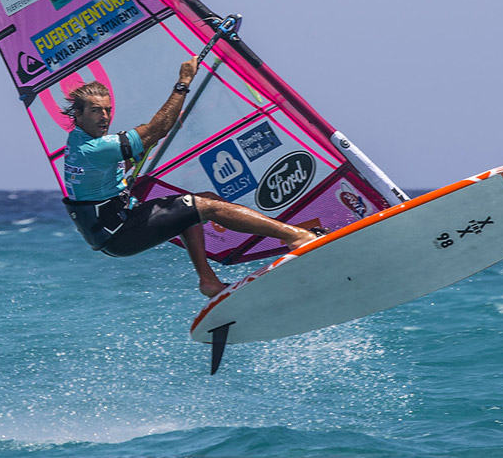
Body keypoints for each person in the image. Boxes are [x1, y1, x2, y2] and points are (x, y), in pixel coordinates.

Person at [61, 58, 319, 297]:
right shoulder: (95, 147)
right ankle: (294, 235)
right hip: (119, 233)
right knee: (209, 207)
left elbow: (101, 174)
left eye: (107, 110)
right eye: (96, 111)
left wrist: (131, 159)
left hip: (114, 226)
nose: (104, 117)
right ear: (78, 114)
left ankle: (208, 281)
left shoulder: (79, 141)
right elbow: (157, 130)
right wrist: (184, 81)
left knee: (195, 205)